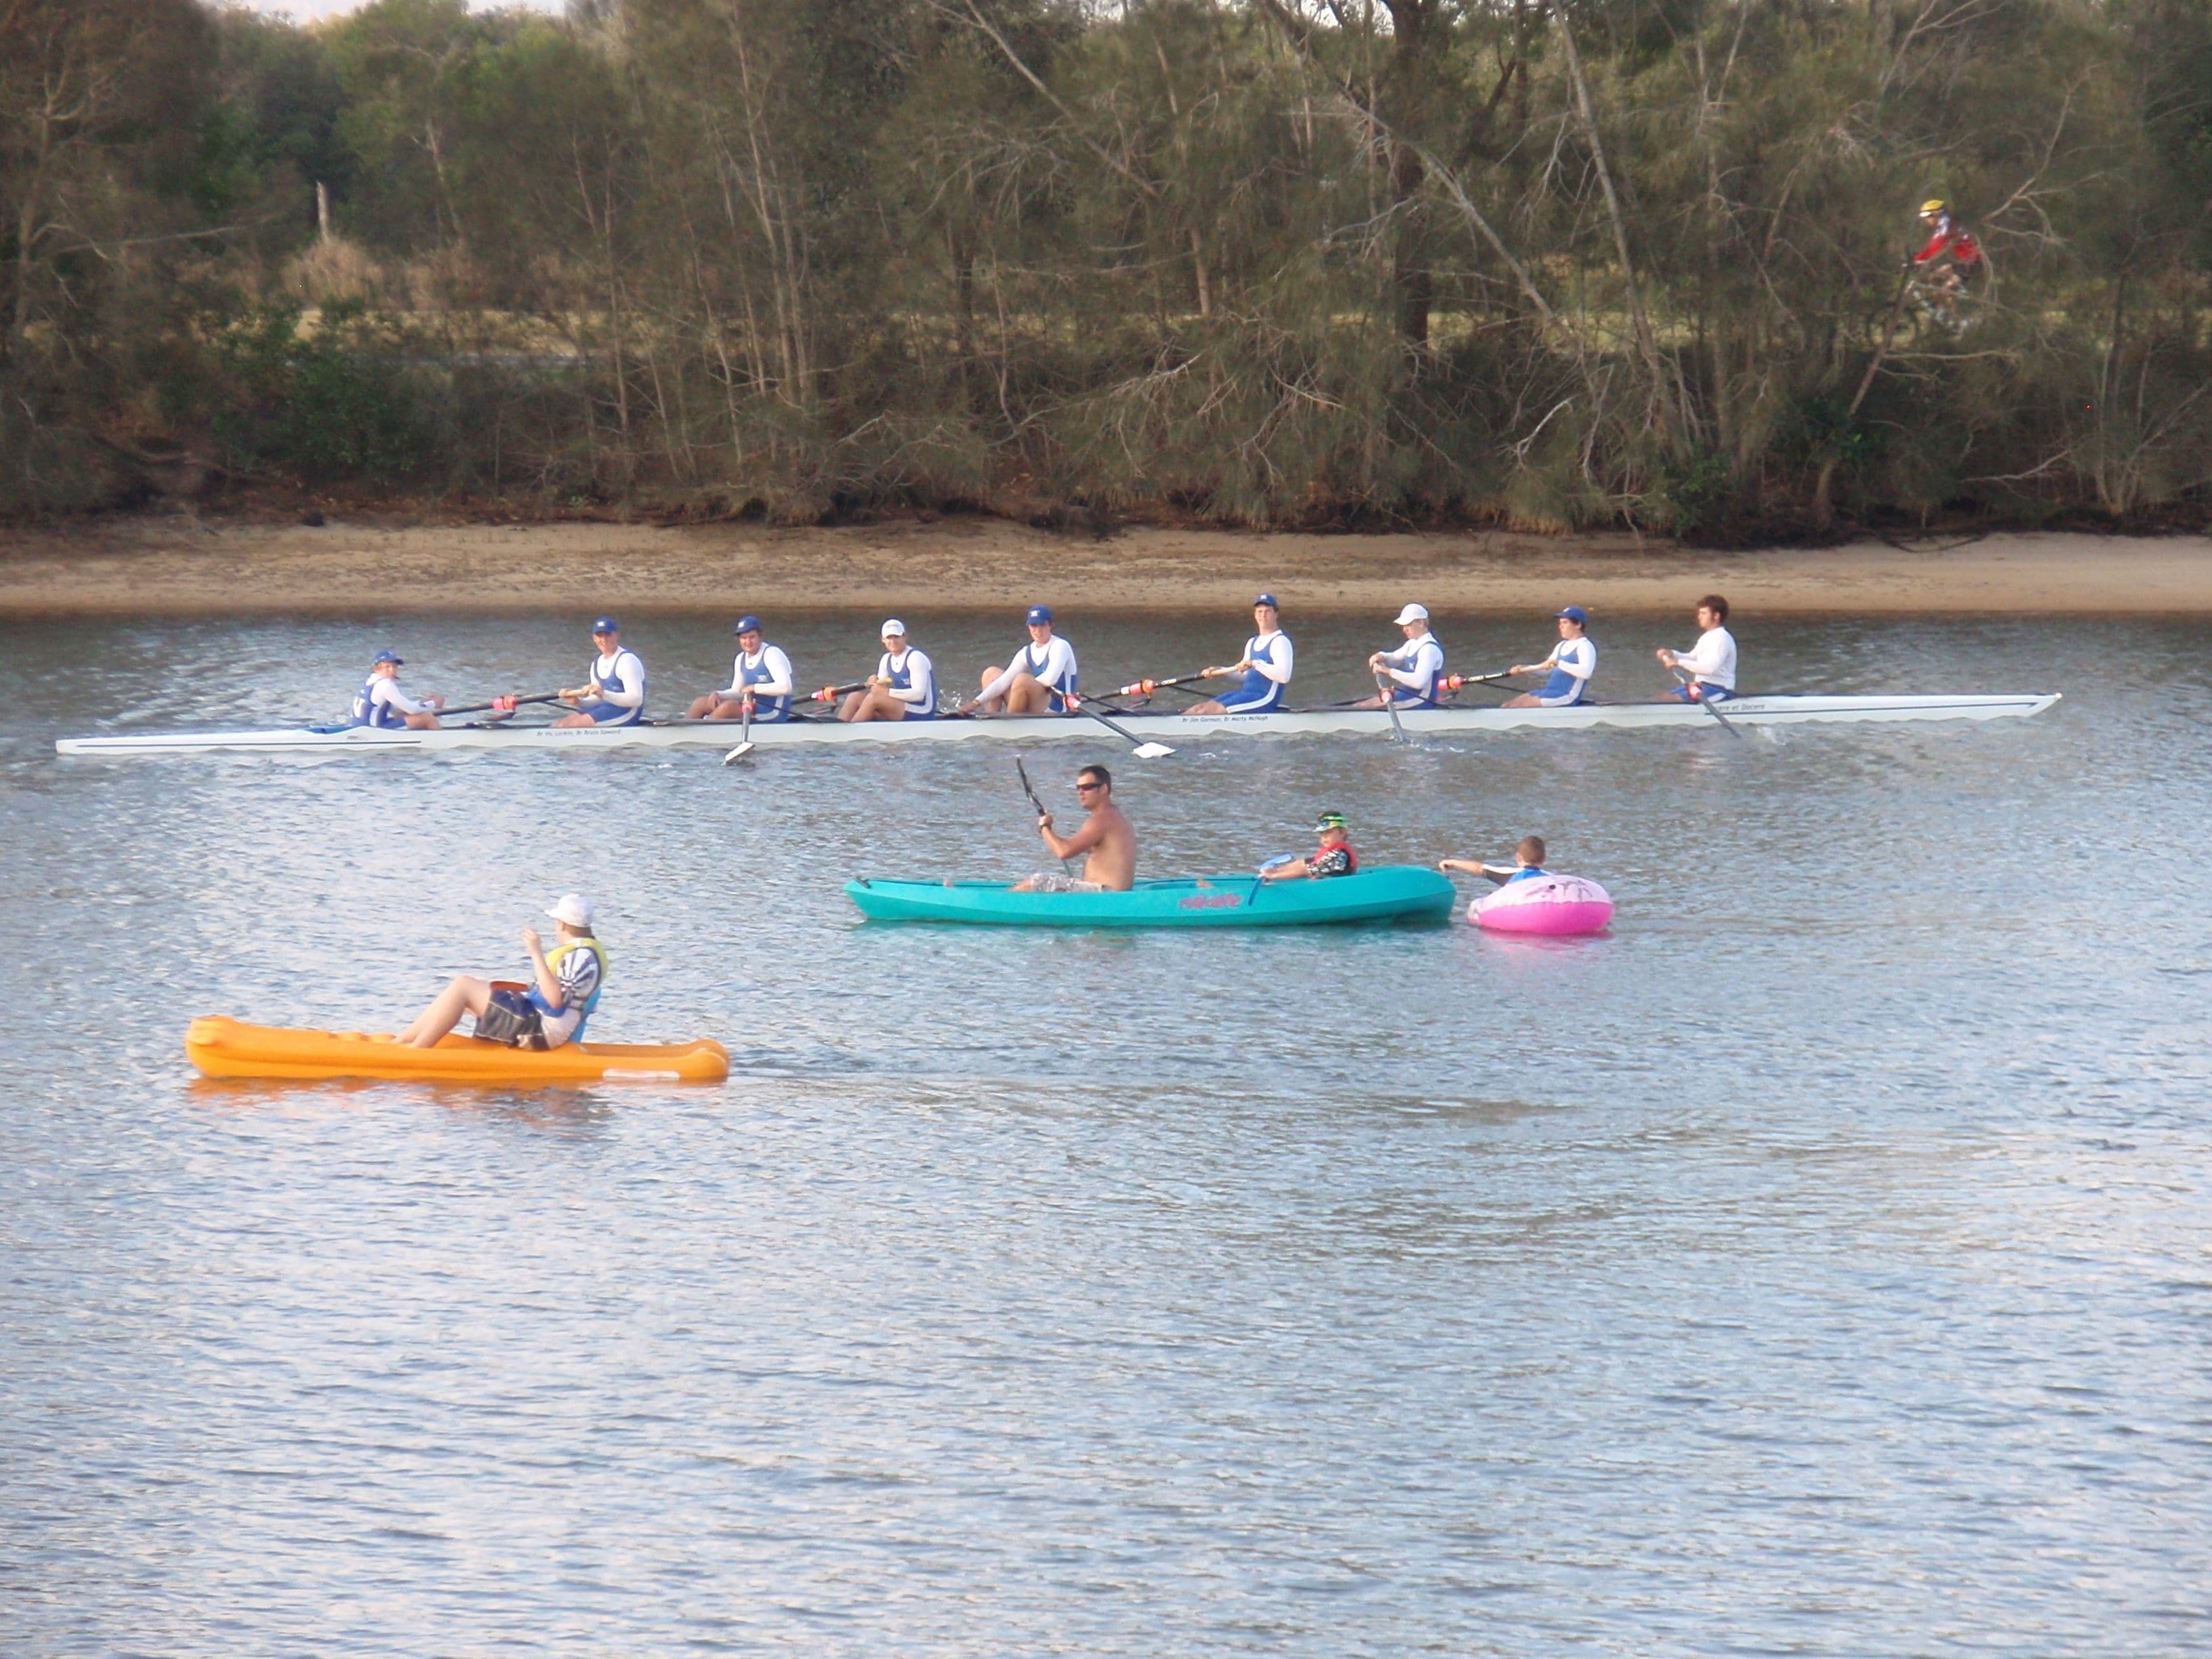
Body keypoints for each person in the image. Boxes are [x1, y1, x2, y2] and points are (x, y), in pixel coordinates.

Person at [396, 895, 607, 1050]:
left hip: (541, 1030)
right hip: (540, 1021)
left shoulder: (581, 958)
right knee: (465, 994)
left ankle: (417, 1050)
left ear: (562, 924)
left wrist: (536, 953)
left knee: (463, 986)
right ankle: (402, 1042)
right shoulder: (585, 954)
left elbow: (555, 1001)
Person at [1010, 763, 1136, 893]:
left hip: (1104, 895)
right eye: (1078, 788)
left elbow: (1064, 852)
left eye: (1087, 787)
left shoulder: (1102, 820)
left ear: (1104, 789)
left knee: (1035, 882)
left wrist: (1045, 827)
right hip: (1113, 894)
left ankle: (1001, 906)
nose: (1080, 792)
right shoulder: (1117, 816)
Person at [1185, 594, 1294, 716]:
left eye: (1267, 612)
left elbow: (1284, 676)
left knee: (1208, 712)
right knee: (1198, 709)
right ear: (1255, 615)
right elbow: (1244, 674)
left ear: (1276, 614)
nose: (1263, 616)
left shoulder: (1280, 641)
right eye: (1260, 612)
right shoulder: (1252, 642)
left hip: (1264, 699)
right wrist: (1221, 671)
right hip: (1246, 694)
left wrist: (1255, 664)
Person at [973, 605, 1079, 714]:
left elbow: (1050, 680)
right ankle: (992, 721)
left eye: (1042, 625)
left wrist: (1022, 684)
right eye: (1033, 626)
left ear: (1051, 625)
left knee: (1022, 680)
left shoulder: (1060, 646)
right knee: (991, 674)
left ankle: (1010, 724)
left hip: (1059, 708)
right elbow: (1002, 682)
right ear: (1028, 627)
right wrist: (976, 703)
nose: (1038, 631)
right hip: (1039, 704)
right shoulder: (1026, 651)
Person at [688, 615, 794, 722]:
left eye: (752, 637)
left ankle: (703, 732)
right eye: (744, 638)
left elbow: (786, 688)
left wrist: (754, 688)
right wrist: (719, 694)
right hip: (751, 708)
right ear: (739, 639)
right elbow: (737, 692)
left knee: (729, 708)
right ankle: (683, 733)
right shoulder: (740, 658)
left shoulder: (772, 654)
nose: (748, 642)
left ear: (760, 637)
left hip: (773, 713)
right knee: (700, 703)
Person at [555, 617, 647, 728]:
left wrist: (603, 693)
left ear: (617, 636)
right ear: (594, 638)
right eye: (599, 636)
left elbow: (636, 700)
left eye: (608, 635)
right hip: (604, 709)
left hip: (626, 713)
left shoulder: (627, 660)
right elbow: (596, 700)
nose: (604, 640)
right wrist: (578, 702)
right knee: (559, 725)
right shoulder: (596, 663)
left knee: (571, 725)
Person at [839, 619, 937, 722]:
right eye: (889, 638)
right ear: (883, 639)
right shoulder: (886, 659)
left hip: (923, 712)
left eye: (897, 637)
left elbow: (918, 695)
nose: (893, 641)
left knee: (873, 699)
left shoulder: (916, 658)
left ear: (905, 637)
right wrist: (873, 682)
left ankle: (851, 731)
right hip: (903, 708)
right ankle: (839, 727)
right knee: (855, 697)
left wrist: (887, 692)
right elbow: (880, 689)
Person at [1354, 603, 1446, 709]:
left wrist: (1388, 671)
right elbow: (1394, 659)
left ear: (1421, 623)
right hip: (1407, 695)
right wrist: (1381, 656)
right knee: (1361, 705)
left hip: (1421, 700)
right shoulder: (1412, 643)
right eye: (1404, 626)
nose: (1404, 630)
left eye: (1408, 625)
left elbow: (1419, 682)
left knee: (1365, 707)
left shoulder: (1429, 649)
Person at [1503, 607, 1597, 708]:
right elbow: (1546, 669)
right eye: (1560, 623)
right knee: (1508, 705)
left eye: (1565, 623)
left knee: (1520, 706)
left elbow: (1586, 673)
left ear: (1578, 624)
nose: (1561, 627)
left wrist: (1558, 663)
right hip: (1549, 692)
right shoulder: (1561, 645)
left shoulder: (1585, 646)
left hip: (1567, 696)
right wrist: (1525, 669)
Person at [1655, 594, 1737, 702]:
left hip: (1719, 690)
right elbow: (1693, 658)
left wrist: (1679, 663)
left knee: (1670, 700)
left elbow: (1709, 669)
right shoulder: (1707, 636)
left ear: (1716, 616)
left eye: (1704, 613)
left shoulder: (1722, 638)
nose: (1699, 617)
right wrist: (1672, 654)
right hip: (1701, 686)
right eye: (1699, 613)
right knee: (1660, 699)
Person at [1910, 198, 1984, 316]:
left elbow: (1937, 245)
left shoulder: (1947, 226)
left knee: (1947, 288)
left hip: (1972, 263)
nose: (1925, 219)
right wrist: (1917, 259)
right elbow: (1932, 246)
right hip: (1963, 263)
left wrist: (1920, 260)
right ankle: (1942, 310)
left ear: (1937, 214)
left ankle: (1957, 320)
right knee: (1934, 277)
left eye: (1927, 215)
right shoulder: (1943, 226)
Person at [351, 650, 445, 731]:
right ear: (376, 669)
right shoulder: (385, 685)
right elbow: (412, 710)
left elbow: (396, 710)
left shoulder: (371, 682)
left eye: (395, 667)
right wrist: (433, 704)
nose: (392, 670)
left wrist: (422, 702)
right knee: (427, 718)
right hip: (374, 731)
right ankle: (442, 742)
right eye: (387, 667)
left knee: (407, 715)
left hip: (360, 728)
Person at [1262, 811, 1357, 882]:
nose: (1324, 837)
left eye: (1328, 833)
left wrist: (1274, 877)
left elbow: (1305, 870)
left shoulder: (1338, 855)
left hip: (1336, 890)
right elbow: (1302, 864)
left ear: (1342, 833)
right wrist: (1277, 871)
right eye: (1322, 833)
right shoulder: (1330, 853)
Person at [1440, 836, 1548, 884]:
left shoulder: (1510, 875)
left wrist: (1452, 863)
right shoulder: (1551, 877)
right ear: (1544, 859)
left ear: (1518, 857)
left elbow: (1479, 868)